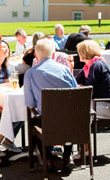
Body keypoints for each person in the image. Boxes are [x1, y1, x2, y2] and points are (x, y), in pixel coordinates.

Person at [21, 39, 78, 170]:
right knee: (66, 117)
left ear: (35, 55)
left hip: (47, 121)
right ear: (53, 55)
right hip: (69, 120)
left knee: (34, 123)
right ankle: (68, 155)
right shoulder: (65, 70)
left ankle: (48, 159)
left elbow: (30, 105)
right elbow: (76, 93)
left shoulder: (30, 73)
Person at [74, 40, 110, 118]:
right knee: (76, 107)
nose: (78, 54)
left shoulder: (97, 65)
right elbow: (75, 82)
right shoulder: (88, 66)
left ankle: (83, 130)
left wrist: (81, 87)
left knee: (78, 109)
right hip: (101, 103)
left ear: (84, 52)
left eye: (79, 51)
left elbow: (89, 89)